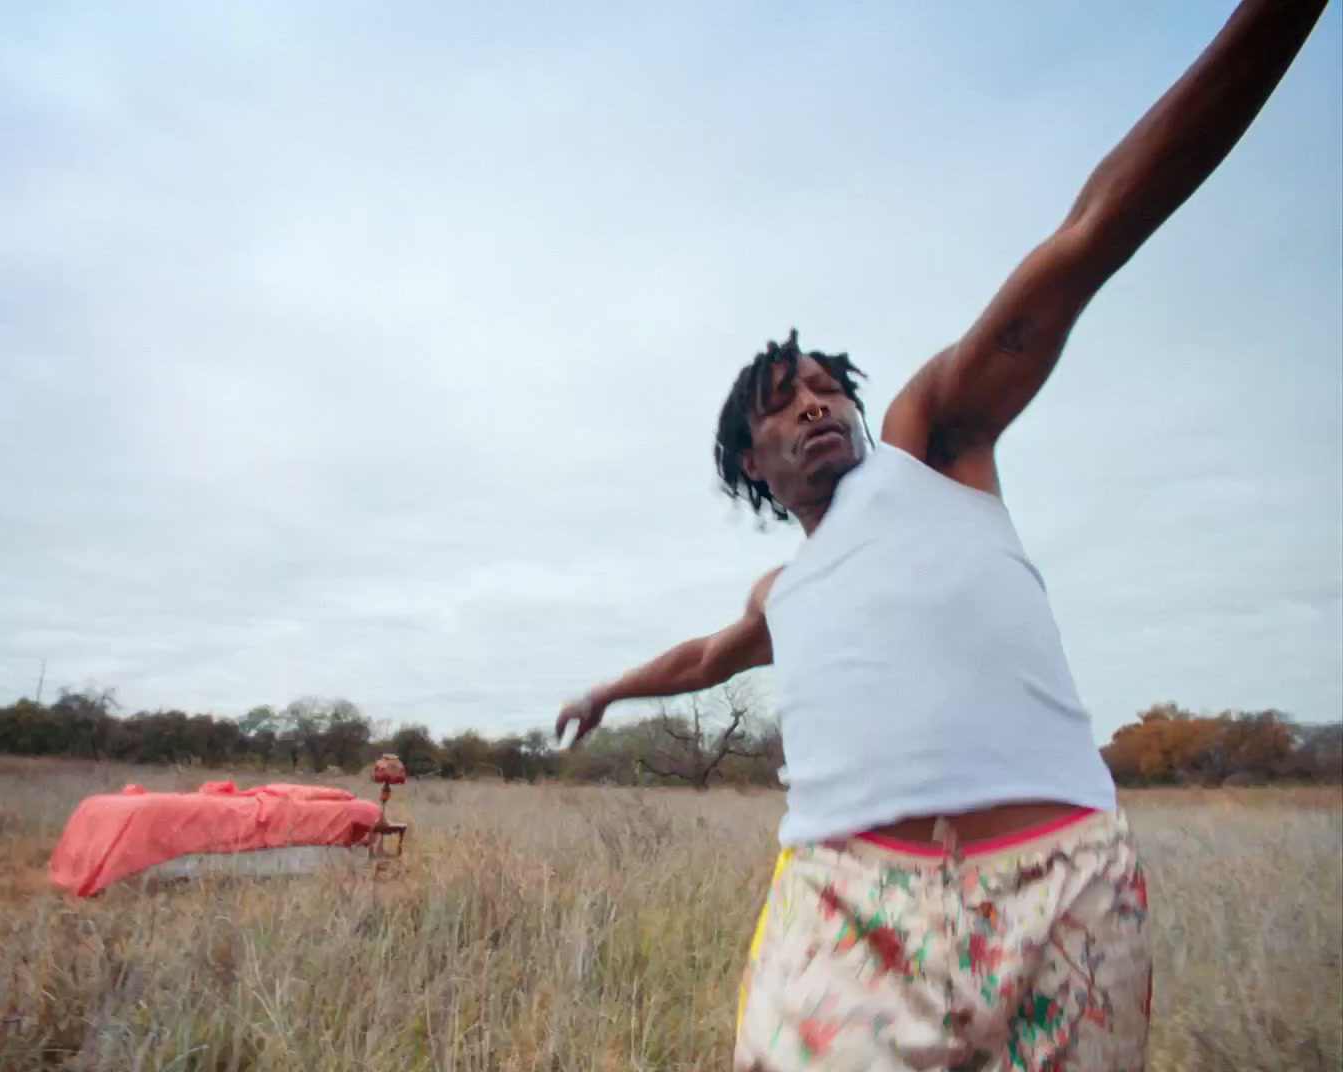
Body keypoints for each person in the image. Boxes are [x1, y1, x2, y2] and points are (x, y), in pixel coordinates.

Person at [555, 0, 1331, 1068]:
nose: (818, 406)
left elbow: (1088, 237)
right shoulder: (785, 592)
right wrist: (606, 693)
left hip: (1066, 889)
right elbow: (702, 658)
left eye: (831, 389)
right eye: (786, 402)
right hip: (845, 902)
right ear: (750, 457)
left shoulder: (934, 449)